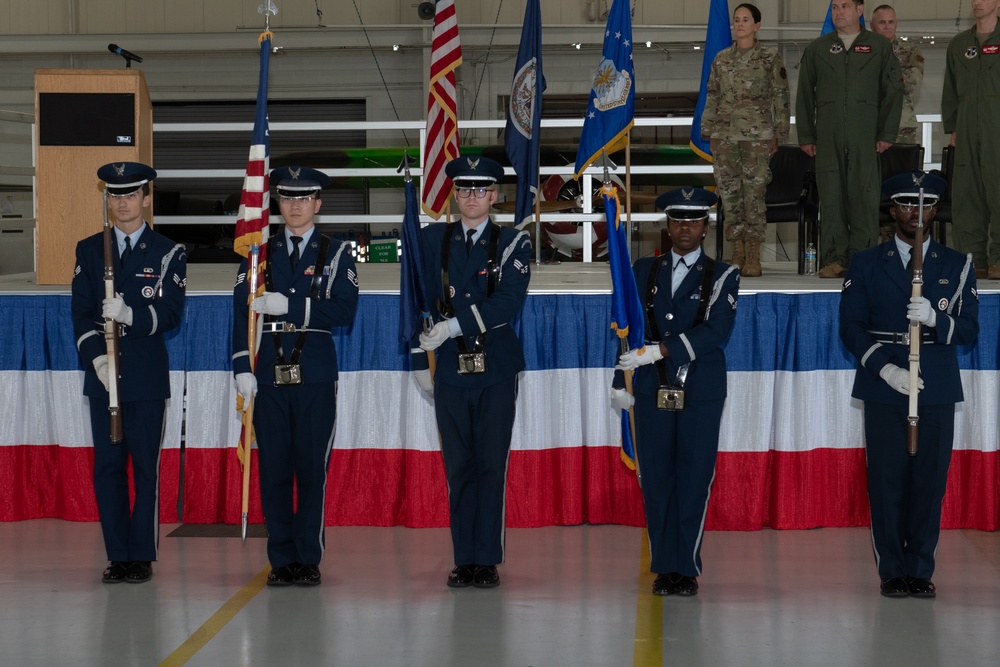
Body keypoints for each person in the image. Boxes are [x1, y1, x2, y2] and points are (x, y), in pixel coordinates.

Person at [840, 171, 979, 598]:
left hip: (935, 382)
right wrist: (885, 370)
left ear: (935, 210)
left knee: (928, 482)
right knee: (887, 481)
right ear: (892, 210)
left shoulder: (958, 265)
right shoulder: (865, 262)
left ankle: (920, 569)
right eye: (906, 205)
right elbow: (851, 328)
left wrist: (938, 320)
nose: (915, 214)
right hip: (884, 382)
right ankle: (891, 572)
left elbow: (970, 331)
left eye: (924, 205)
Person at [232, 166, 359, 587]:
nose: (296, 206)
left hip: (315, 375)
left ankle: (308, 558)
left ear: (318, 205)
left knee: (310, 471)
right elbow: (239, 315)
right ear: (277, 204)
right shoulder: (257, 254)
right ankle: (281, 558)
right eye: (287, 199)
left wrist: (291, 306)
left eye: (304, 199)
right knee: (274, 471)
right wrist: (239, 369)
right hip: (267, 374)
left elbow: (344, 310)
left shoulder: (338, 253)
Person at [612, 188, 740, 596]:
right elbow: (623, 328)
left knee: (693, 477)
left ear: (706, 227)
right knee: (657, 478)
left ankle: (686, 565)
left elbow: (716, 331)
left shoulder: (723, 275)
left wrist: (660, 350)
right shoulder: (640, 271)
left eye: (694, 220)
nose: (685, 227)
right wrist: (620, 383)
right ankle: (664, 564)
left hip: (699, 388)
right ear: (667, 226)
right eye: (678, 220)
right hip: (650, 387)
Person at [412, 155, 531, 589]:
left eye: (481, 190)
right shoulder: (431, 240)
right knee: (458, 465)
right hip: (449, 368)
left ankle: (489, 559)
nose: (472, 198)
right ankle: (465, 558)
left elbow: (507, 303)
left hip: (495, 366)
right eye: (464, 190)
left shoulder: (514, 242)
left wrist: (454, 325)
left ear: (494, 196)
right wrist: (415, 355)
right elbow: (416, 298)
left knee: (489, 464)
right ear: (455, 194)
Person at [71, 162, 187, 584]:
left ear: (146, 198)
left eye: (131, 194)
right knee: (108, 468)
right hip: (104, 377)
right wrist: (97, 361)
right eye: (115, 195)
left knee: (145, 468)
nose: (123, 203)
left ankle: (142, 554)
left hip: (144, 377)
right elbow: (80, 313)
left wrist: (131, 315)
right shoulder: (89, 249)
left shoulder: (168, 251)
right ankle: (117, 554)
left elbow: (171, 313)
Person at [796, 0, 903, 278]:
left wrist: (886, 133)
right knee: (831, 198)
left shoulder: (879, 46)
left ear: (859, 9)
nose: (838, 12)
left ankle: (863, 260)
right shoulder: (818, 49)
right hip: (828, 136)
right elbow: (805, 93)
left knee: (863, 198)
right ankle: (834, 259)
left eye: (845, 6)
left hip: (865, 136)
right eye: (834, 7)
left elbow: (893, 92)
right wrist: (806, 134)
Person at [701, 2, 789, 277]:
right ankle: (736, 252)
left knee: (754, 195)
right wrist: (709, 131)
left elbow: (781, 98)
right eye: (737, 19)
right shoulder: (721, 58)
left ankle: (753, 254)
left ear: (757, 25)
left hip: (758, 137)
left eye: (745, 19)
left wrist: (779, 134)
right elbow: (712, 95)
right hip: (725, 137)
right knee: (729, 195)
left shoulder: (769, 58)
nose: (739, 24)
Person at [942, 0, 1000, 280]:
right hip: (966, 128)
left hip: (996, 125)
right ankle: (972, 259)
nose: (977, 2)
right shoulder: (958, 45)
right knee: (967, 196)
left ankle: (999, 258)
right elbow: (950, 90)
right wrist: (953, 126)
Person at [871, 5, 924, 145]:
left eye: (891, 22)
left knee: (903, 167)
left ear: (896, 24)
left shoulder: (909, 50)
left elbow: (913, 79)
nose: (887, 27)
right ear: (872, 25)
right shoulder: (864, 52)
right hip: (869, 124)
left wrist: (880, 75)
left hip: (902, 124)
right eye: (882, 22)